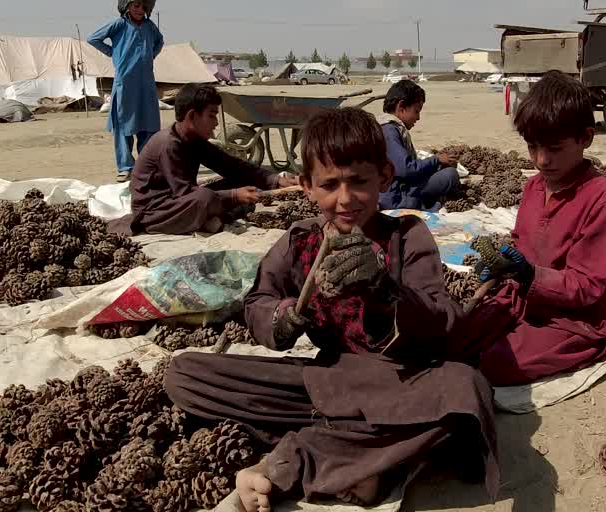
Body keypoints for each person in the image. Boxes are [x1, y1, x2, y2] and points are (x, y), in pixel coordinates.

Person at [164, 107, 502, 512]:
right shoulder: (300, 240)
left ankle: (295, 461)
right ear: (306, 187)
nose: (345, 199)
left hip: (397, 382)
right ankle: (365, 455)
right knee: (184, 374)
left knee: (465, 389)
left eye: (359, 182)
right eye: (329, 185)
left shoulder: (406, 236)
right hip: (323, 383)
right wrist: (283, 316)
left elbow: (441, 317)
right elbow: (259, 302)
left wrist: (383, 288)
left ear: (384, 177)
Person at [470, 71, 606, 385]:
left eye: (554, 148)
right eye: (533, 147)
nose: (542, 160)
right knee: (455, 337)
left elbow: (587, 286)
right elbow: (521, 243)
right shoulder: (533, 188)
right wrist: (502, 266)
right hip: (524, 301)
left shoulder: (604, 199)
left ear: (586, 137)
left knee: (494, 363)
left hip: (577, 321)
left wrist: (532, 276)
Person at [107, 83, 297, 237]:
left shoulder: (195, 140)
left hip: (180, 200)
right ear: (192, 116)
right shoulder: (168, 144)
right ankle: (211, 217)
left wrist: (275, 179)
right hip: (156, 210)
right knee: (205, 197)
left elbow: (232, 166)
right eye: (211, 115)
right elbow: (185, 193)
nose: (215, 123)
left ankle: (214, 216)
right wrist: (233, 196)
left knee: (241, 180)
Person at [89, 0, 164, 182]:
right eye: (135, 6)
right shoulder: (119, 25)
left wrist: (150, 54)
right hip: (125, 84)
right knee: (123, 126)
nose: (139, 10)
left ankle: (146, 166)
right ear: (127, 5)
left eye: (143, 6)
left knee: (148, 126)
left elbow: (159, 41)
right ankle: (125, 167)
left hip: (146, 85)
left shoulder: (150, 27)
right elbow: (93, 38)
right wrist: (113, 53)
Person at [377, 80, 460, 211]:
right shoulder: (389, 130)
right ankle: (421, 204)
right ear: (401, 107)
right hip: (396, 197)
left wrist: (436, 165)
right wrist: (436, 160)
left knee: (442, 171)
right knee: (450, 175)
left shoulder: (387, 127)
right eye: (416, 111)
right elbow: (406, 169)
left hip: (396, 190)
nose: (418, 117)